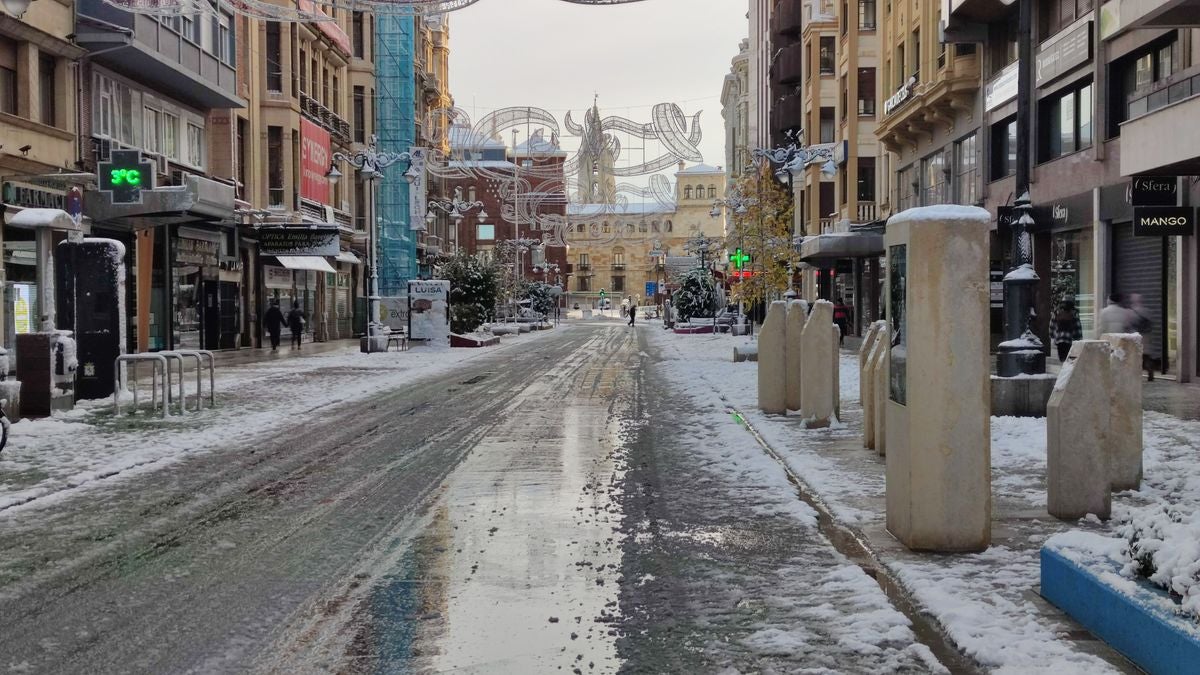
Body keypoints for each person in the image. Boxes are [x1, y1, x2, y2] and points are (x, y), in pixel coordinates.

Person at [1129, 293, 1159, 381]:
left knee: (1135, 356)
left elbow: (1129, 325)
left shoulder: (1131, 312)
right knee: (1146, 356)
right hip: (1146, 336)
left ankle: (1135, 375)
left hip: (1135, 336)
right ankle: (1150, 374)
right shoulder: (1147, 311)